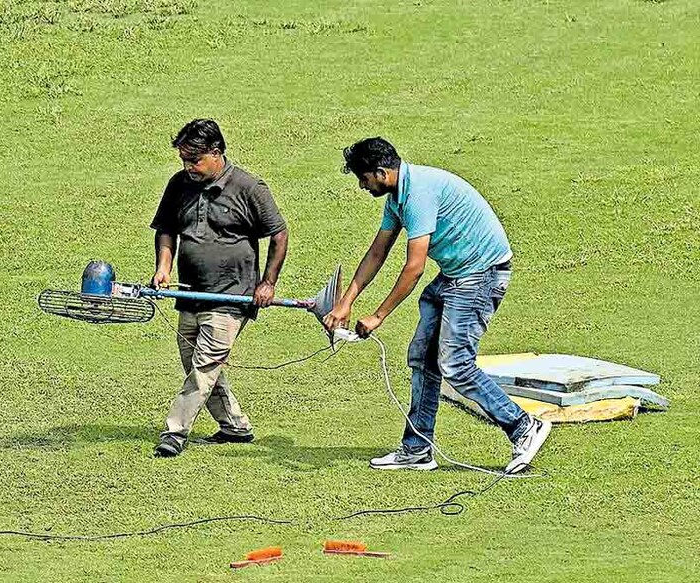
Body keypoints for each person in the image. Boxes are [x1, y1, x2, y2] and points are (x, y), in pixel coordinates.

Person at [323, 137, 549, 473]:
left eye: (364, 178)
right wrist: (345, 303)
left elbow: (413, 268)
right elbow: (376, 253)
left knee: (456, 363)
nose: (361, 186)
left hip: (481, 275)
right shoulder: (398, 197)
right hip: (456, 274)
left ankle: (523, 427)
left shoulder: (418, 195)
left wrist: (378, 315)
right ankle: (416, 449)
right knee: (424, 359)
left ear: (382, 173)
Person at [149, 119, 289, 458]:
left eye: (195, 160)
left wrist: (267, 283)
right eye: (184, 160)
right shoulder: (179, 184)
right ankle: (234, 426)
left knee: (205, 365)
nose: (188, 168)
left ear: (217, 153)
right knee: (196, 365)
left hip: (231, 296)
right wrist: (163, 268)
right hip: (189, 294)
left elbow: (279, 235)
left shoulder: (249, 187)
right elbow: (166, 229)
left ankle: (174, 432)